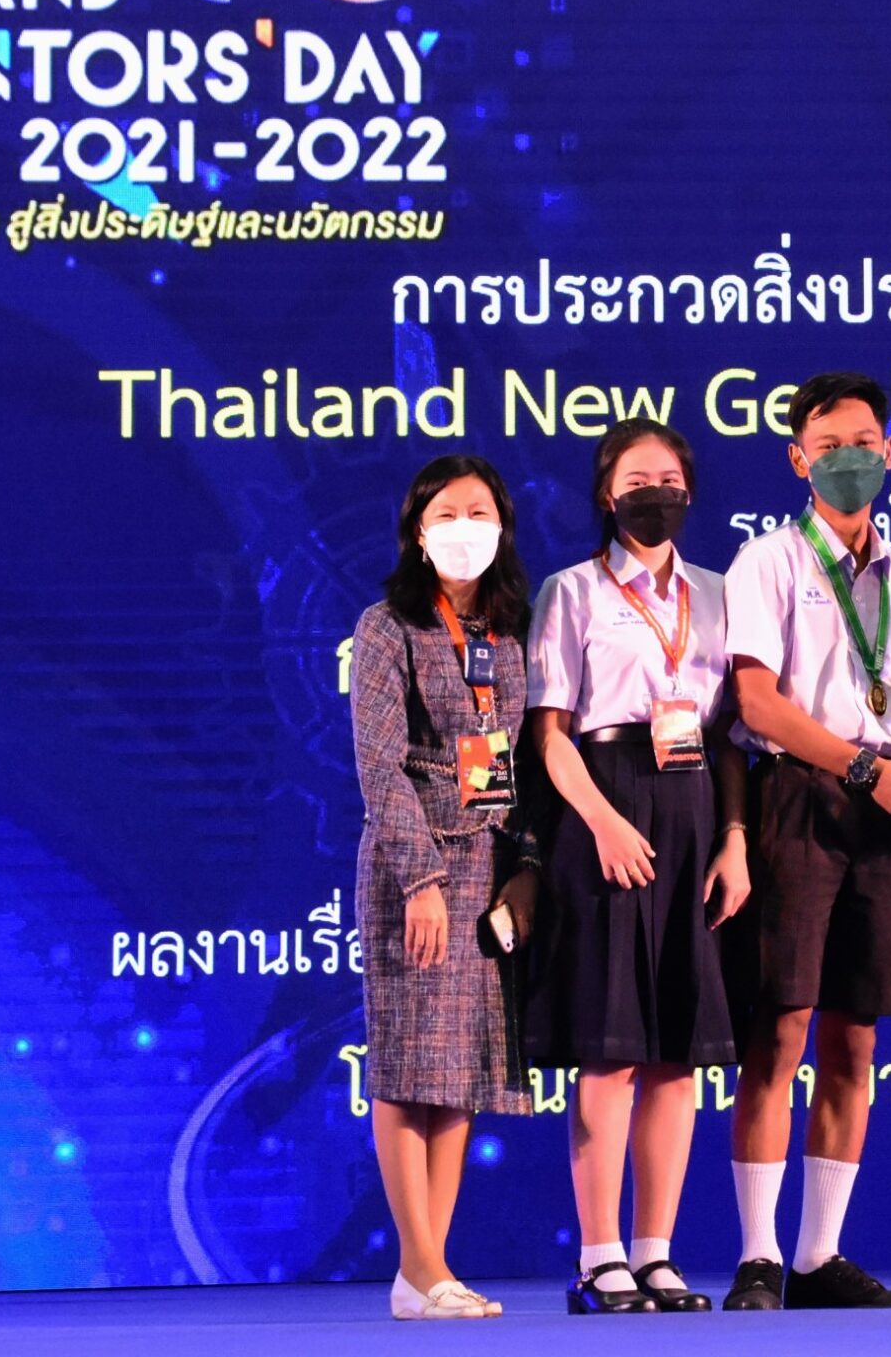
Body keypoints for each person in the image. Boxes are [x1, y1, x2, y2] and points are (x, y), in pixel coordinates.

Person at [720, 372, 891, 1310]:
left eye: (864, 442)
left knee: (857, 1036)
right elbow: (757, 702)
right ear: (798, 460)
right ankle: (758, 1256)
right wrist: (863, 767)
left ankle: (819, 1258)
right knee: (779, 1031)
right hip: (798, 799)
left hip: (883, 812)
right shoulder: (767, 562)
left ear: (889, 452)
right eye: (829, 446)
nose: (849, 459)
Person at [525, 419, 751, 1314]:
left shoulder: (719, 593)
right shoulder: (571, 590)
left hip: (693, 807)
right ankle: (599, 1258)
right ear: (606, 494)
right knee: (611, 1048)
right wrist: (603, 823)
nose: (656, 492)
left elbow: (731, 736)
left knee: (676, 1056)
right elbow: (550, 733)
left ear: (689, 491)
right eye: (636, 479)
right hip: (604, 804)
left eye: (669, 479)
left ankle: (657, 1254)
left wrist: (734, 838)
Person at [349, 453, 538, 1321]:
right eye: (448, 514)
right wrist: (419, 876)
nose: (467, 528)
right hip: (413, 863)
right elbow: (379, 764)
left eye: (480, 512)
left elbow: (518, 762)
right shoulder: (388, 626)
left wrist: (524, 869)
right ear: (419, 533)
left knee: (459, 1071)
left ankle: (432, 1269)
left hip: (486, 864)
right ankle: (419, 1265)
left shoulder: (507, 632)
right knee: (406, 1066)